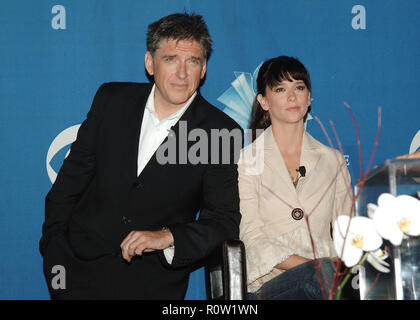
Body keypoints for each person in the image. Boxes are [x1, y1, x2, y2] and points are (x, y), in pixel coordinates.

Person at [40, 12, 242, 300]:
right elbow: (67, 187)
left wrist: (167, 236)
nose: (182, 74)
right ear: (150, 63)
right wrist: (55, 255)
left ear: (204, 68)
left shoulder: (219, 131)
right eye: (171, 59)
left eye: (193, 61)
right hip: (76, 273)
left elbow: (223, 221)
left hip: (152, 286)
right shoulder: (111, 101)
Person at [238, 56, 353, 299]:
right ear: (264, 101)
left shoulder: (333, 160)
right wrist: (316, 266)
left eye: (298, 88)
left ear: (308, 97)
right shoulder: (247, 160)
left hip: (329, 280)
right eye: (280, 89)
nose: (292, 97)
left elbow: (348, 232)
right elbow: (252, 239)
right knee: (324, 274)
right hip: (269, 284)